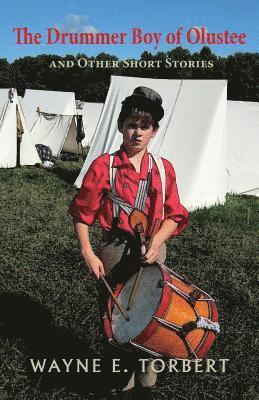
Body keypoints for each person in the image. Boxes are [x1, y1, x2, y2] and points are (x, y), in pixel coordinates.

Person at [69, 86, 188, 399]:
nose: (137, 132)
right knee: (116, 317)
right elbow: (82, 215)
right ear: (121, 126)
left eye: (144, 126)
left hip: (153, 247)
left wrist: (156, 242)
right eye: (132, 124)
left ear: (154, 131)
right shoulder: (103, 167)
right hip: (115, 250)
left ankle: (146, 384)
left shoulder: (164, 169)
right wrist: (88, 252)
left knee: (152, 315)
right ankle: (119, 385)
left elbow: (174, 215)